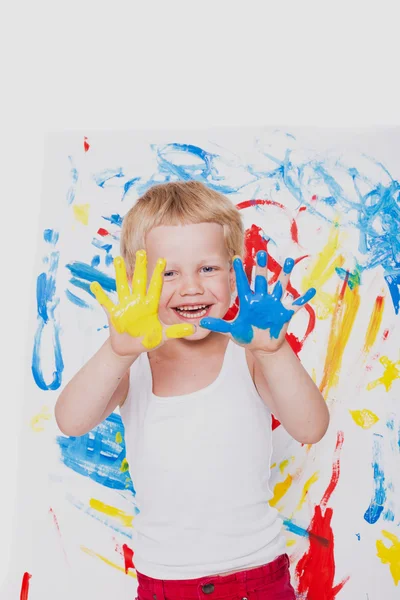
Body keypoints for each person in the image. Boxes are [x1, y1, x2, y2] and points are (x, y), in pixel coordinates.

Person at [55, 181, 329, 599]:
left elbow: (310, 427)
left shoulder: (249, 354)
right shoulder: (132, 364)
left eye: (208, 268)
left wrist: (274, 351)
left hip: (258, 578)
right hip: (164, 583)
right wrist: (115, 351)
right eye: (168, 273)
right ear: (136, 282)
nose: (191, 287)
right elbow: (71, 421)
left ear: (234, 273)